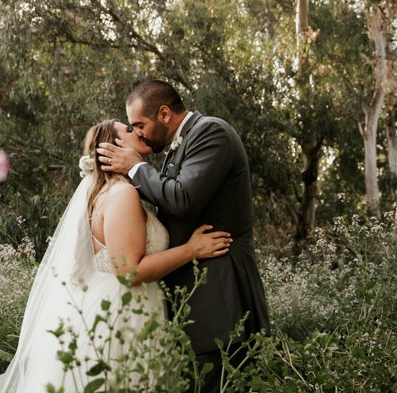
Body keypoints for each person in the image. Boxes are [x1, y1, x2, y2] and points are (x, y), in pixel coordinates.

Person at [0, 119, 232, 392]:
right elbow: (130, 272)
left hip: (119, 307)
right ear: (112, 147)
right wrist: (192, 250)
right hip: (122, 315)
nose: (137, 131)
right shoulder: (122, 194)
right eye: (128, 129)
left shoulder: (109, 192)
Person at [96, 79, 270, 393]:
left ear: (164, 114)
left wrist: (136, 168)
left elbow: (184, 199)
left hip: (219, 299)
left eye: (140, 124)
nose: (139, 133)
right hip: (192, 305)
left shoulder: (211, 132)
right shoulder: (173, 151)